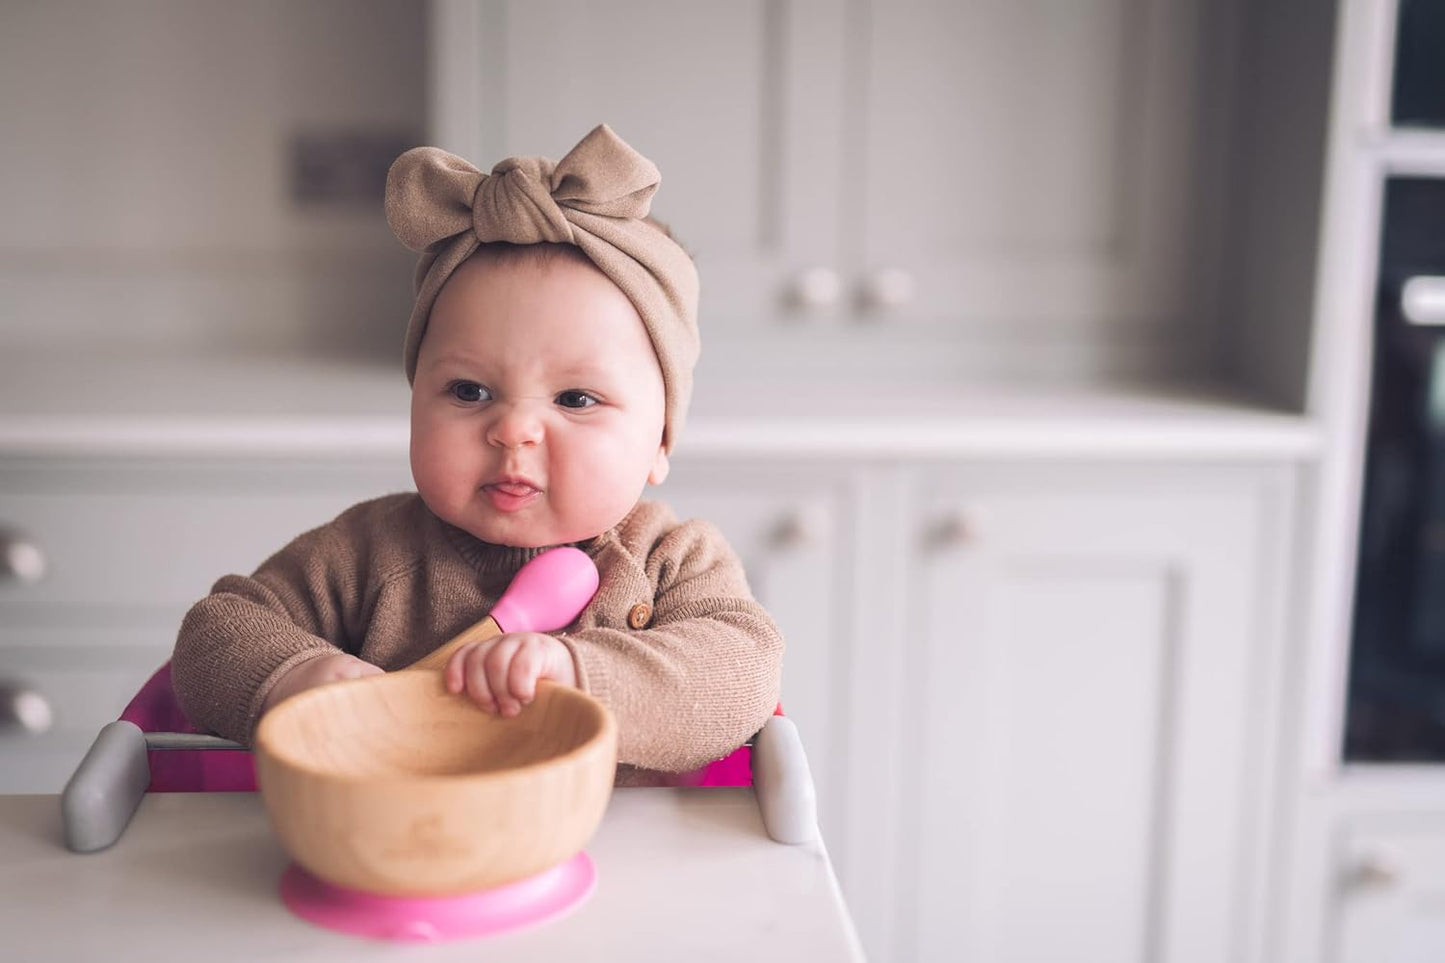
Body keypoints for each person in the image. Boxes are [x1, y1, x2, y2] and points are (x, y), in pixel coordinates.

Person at [170, 125, 784, 783]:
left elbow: (741, 672)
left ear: (659, 443)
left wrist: (579, 673)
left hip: (625, 866)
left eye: (576, 399)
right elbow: (218, 629)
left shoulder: (670, 561)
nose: (513, 429)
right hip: (388, 850)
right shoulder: (364, 554)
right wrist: (298, 675)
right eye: (469, 390)